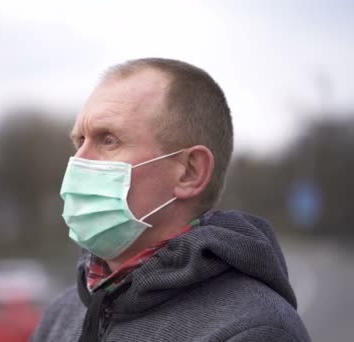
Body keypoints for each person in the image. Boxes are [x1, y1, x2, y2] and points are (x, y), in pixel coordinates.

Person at [30, 58, 311, 342]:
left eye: (108, 140)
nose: (78, 162)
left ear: (190, 172)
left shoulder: (252, 330)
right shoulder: (62, 315)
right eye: (80, 140)